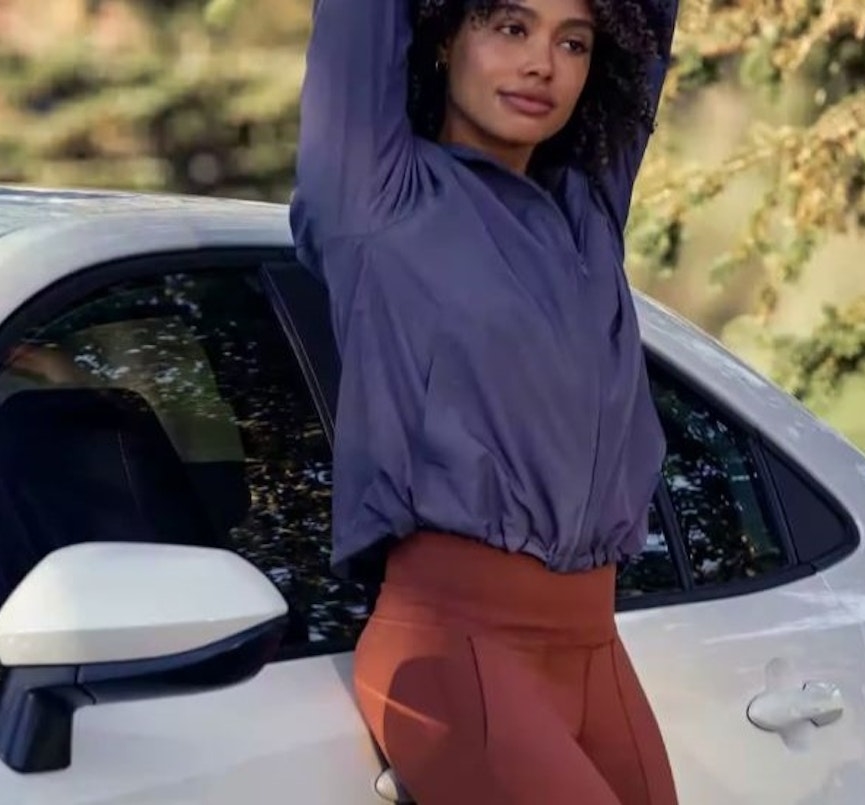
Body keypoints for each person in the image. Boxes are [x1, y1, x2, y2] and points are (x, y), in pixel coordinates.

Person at [289, 0, 681, 802]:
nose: (543, 63)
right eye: (511, 28)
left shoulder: (587, 213)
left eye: (573, 43)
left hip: (594, 650)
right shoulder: (377, 199)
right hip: (453, 652)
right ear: (444, 37)